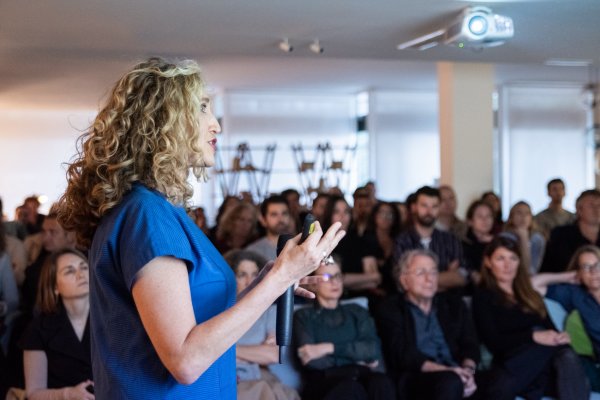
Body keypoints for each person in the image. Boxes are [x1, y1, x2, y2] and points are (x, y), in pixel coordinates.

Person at [57, 57, 345, 399]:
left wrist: (267, 283)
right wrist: (281, 277)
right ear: (163, 121)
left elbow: (196, 322)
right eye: (203, 108)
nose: (216, 126)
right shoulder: (147, 215)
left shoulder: (156, 209)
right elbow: (186, 360)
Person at [472, 235, 589, 400]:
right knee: (555, 351)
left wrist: (560, 336)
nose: (508, 265)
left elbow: (551, 330)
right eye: (500, 258)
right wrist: (534, 337)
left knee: (564, 353)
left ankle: (534, 388)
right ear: (488, 262)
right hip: (515, 361)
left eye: (513, 258)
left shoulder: (530, 294)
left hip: (545, 367)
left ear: (519, 262)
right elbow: (494, 342)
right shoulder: (483, 297)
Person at [376, 249, 479, 400]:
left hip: (457, 372)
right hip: (416, 377)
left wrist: (468, 372)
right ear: (404, 280)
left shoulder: (454, 305)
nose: (429, 279)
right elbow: (402, 353)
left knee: (500, 380)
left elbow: (470, 344)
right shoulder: (390, 308)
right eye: (420, 273)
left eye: (433, 272)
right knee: (450, 382)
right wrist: (449, 371)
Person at [293, 257, 395, 400]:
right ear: (313, 285)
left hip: (358, 376)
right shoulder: (303, 316)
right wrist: (357, 362)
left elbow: (372, 349)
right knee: (350, 388)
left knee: (381, 382)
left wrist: (328, 348)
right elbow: (311, 361)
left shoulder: (357, 311)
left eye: (338, 276)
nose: (334, 282)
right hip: (324, 382)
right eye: (327, 277)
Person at [223, 250, 300, 400]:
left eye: (255, 274)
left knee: (282, 393)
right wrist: (255, 353)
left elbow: (273, 354)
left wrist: (226, 350)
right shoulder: (220, 311)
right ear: (231, 278)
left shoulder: (270, 312)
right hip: (229, 375)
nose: (250, 281)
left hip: (260, 375)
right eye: (242, 274)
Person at [20, 248, 94, 400]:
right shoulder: (38, 329)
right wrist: (68, 394)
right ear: (55, 287)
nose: (81, 275)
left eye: (84, 267)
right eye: (69, 271)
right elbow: (33, 393)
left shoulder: (111, 319)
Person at [531, 244, 600, 391]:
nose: (594, 271)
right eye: (586, 267)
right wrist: (567, 276)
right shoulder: (575, 294)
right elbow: (531, 285)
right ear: (579, 272)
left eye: (597, 265)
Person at [394, 186, 467, 292]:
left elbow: (460, 277)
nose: (429, 211)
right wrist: (446, 278)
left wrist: (418, 278)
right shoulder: (402, 240)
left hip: (446, 302)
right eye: (424, 205)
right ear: (414, 207)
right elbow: (403, 280)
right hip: (411, 304)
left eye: (434, 206)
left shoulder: (450, 239)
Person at [321, 195, 381, 299]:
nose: (342, 216)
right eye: (336, 212)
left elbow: (376, 278)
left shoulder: (361, 241)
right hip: (331, 298)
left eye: (346, 212)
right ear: (329, 215)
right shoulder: (323, 243)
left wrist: (344, 279)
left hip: (361, 299)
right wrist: (365, 279)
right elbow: (330, 278)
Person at [541, 189, 600, 273]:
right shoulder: (560, 235)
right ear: (579, 210)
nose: (597, 210)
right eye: (591, 206)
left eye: (599, 205)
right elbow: (548, 269)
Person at [245, 195, 292, 261]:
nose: (280, 219)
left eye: (284, 213)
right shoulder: (253, 252)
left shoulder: (301, 245)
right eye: (274, 214)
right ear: (263, 220)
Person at [504, 201, 545, 275]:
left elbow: (531, 270)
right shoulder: (504, 237)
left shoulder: (537, 239)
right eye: (519, 213)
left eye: (527, 213)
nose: (523, 217)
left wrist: (524, 238)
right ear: (511, 217)